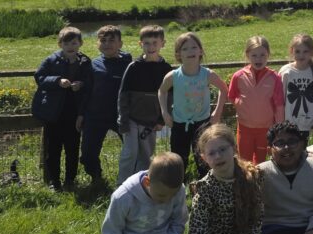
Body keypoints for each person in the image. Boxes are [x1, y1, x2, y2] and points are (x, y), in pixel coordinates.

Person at [187, 124, 264, 234]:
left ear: (234, 148)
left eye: (222, 149)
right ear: (204, 158)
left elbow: (256, 221)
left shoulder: (252, 177)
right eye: (211, 153)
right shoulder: (204, 189)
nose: (218, 156)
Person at [158, 32, 227, 177]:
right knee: (178, 159)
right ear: (178, 54)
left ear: (200, 51)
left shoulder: (207, 74)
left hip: (202, 123)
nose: (190, 51)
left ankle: (206, 184)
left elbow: (223, 89)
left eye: (194, 47)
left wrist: (217, 112)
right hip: (179, 123)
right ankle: (178, 186)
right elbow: (162, 91)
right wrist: (164, 112)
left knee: (204, 159)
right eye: (185, 49)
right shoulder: (173, 76)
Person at [32, 26, 92, 190]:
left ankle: (70, 180)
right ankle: (54, 181)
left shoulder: (85, 62)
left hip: (74, 112)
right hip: (54, 112)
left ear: (80, 43)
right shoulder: (52, 60)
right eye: (66, 44)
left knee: (73, 148)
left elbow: (89, 85)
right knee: (53, 149)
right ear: (60, 44)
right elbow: (39, 77)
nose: (70, 47)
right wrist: (57, 81)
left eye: (74, 43)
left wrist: (81, 84)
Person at [117, 25, 172, 185]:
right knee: (129, 153)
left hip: (151, 121)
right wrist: (123, 119)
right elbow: (123, 95)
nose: (151, 47)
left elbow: (169, 97)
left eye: (155, 43)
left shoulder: (166, 69)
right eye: (147, 43)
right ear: (140, 44)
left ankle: (141, 185)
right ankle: (122, 185)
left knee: (146, 155)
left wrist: (161, 119)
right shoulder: (134, 67)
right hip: (132, 118)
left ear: (163, 43)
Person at [80, 25, 132, 187]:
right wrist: (81, 114)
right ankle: (96, 178)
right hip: (95, 115)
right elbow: (86, 91)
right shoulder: (93, 65)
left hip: (121, 115)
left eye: (111, 40)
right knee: (88, 153)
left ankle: (130, 181)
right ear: (98, 44)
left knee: (132, 151)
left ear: (120, 44)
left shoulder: (129, 64)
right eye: (103, 41)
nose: (107, 44)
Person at [228, 36, 284, 164]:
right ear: (247, 55)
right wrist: (240, 105)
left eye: (262, 55)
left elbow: (279, 105)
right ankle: (246, 178)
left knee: (261, 162)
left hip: (265, 129)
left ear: (268, 55)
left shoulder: (274, 78)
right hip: (244, 128)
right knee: (244, 161)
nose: (259, 59)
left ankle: (259, 177)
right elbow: (231, 96)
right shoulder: (238, 76)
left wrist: (279, 129)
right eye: (254, 55)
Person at [278, 33, 313, 132]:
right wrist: (281, 122)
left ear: (311, 52)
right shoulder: (286, 72)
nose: (301, 55)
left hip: (311, 126)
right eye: (297, 51)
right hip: (289, 125)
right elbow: (280, 100)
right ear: (291, 51)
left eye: (305, 51)